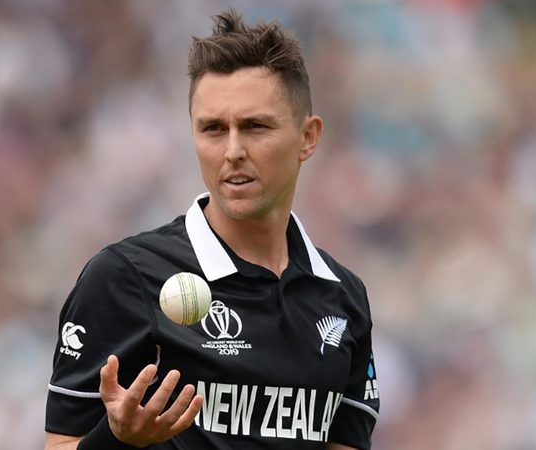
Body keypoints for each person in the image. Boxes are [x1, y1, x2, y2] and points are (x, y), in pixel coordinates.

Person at [44, 9, 379, 450]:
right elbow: (61, 443)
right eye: (214, 129)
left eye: (255, 127)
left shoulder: (343, 296)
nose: (233, 150)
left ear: (308, 137)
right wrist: (117, 440)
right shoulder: (125, 277)